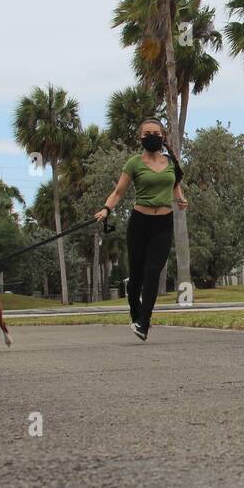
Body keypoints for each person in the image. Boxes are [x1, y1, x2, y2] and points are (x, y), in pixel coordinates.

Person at [94, 118, 187, 341]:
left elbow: (175, 184)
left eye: (156, 132)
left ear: (163, 136)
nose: (152, 136)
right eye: (147, 133)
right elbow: (118, 192)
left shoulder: (171, 162)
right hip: (139, 223)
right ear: (140, 137)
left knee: (153, 272)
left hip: (164, 224)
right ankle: (135, 313)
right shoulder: (134, 163)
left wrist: (181, 199)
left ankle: (144, 323)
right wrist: (107, 209)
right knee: (136, 277)